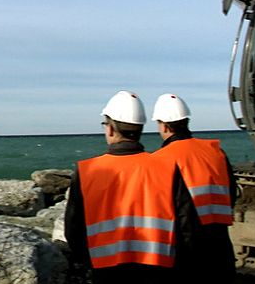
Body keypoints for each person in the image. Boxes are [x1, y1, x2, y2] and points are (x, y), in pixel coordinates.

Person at [64, 91, 177, 283]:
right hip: (158, 266)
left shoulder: (86, 171)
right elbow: (185, 221)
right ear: (140, 129)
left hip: (106, 269)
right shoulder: (168, 166)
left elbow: (74, 230)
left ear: (109, 129)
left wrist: (88, 261)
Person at [151, 93, 237, 283]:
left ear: (163, 125)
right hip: (220, 246)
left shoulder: (161, 159)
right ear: (186, 121)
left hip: (184, 252)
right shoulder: (216, 152)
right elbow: (231, 192)